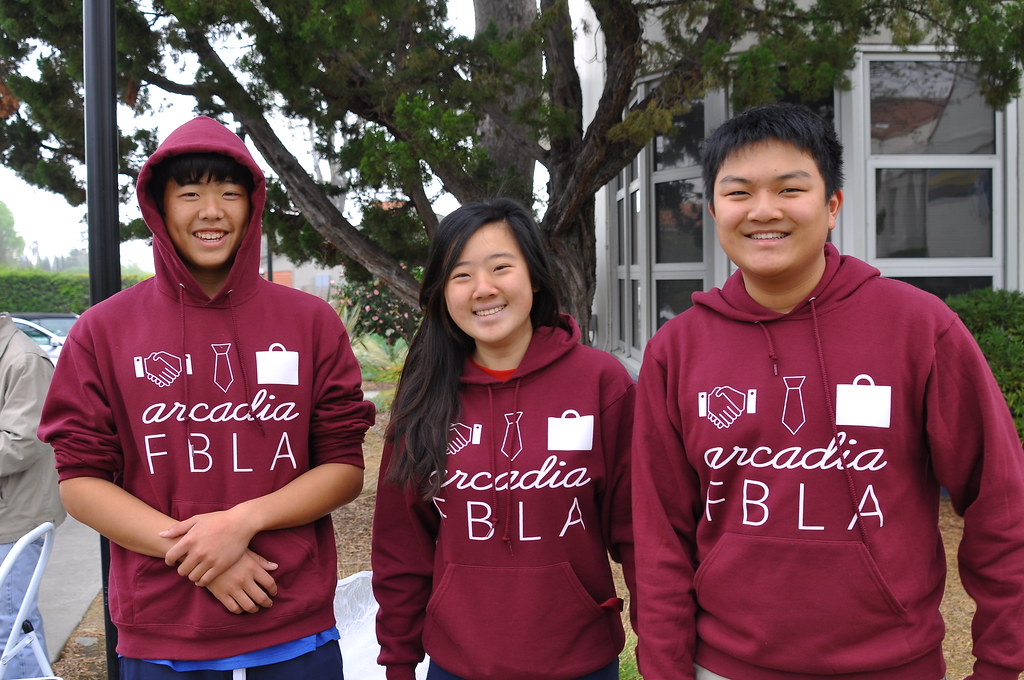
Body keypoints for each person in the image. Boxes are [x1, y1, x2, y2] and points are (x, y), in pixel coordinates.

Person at [631, 102, 1024, 680]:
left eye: (790, 188)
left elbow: (1001, 503)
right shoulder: (678, 350)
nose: (764, 211)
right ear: (713, 209)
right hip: (726, 667)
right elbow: (660, 535)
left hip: (892, 667)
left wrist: (1000, 663)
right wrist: (665, 668)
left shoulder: (918, 328)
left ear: (832, 205)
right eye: (738, 193)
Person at [38, 116, 375, 679]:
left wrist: (240, 522)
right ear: (159, 207)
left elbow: (342, 465)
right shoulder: (104, 331)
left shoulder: (310, 323)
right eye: (189, 192)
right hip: (162, 628)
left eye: (229, 192)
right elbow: (81, 482)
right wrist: (201, 557)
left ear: (253, 205)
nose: (211, 210)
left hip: (292, 617)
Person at [371, 199, 636, 680]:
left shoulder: (601, 383)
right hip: (457, 664)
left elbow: (639, 534)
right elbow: (401, 550)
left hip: (579, 661)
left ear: (534, 276)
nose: (484, 289)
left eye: (500, 267)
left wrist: (663, 645)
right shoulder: (424, 396)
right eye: (461, 275)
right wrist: (398, 662)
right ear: (441, 292)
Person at [0, 312, 65, 678]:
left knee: (11, 625)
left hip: (16, 516)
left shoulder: (23, 359)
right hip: (9, 510)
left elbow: (21, 443)